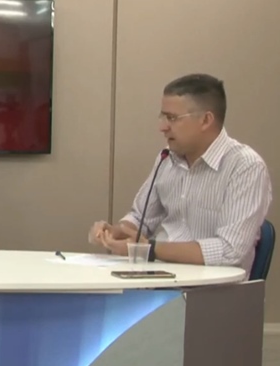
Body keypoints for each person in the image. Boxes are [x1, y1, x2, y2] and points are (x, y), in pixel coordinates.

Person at [89, 73, 272, 277]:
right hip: (158, 277)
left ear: (205, 120)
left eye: (172, 118)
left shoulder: (245, 167)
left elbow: (229, 251)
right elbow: (141, 218)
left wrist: (150, 249)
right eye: (163, 117)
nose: (162, 127)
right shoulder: (167, 158)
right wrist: (117, 231)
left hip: (212, 288)